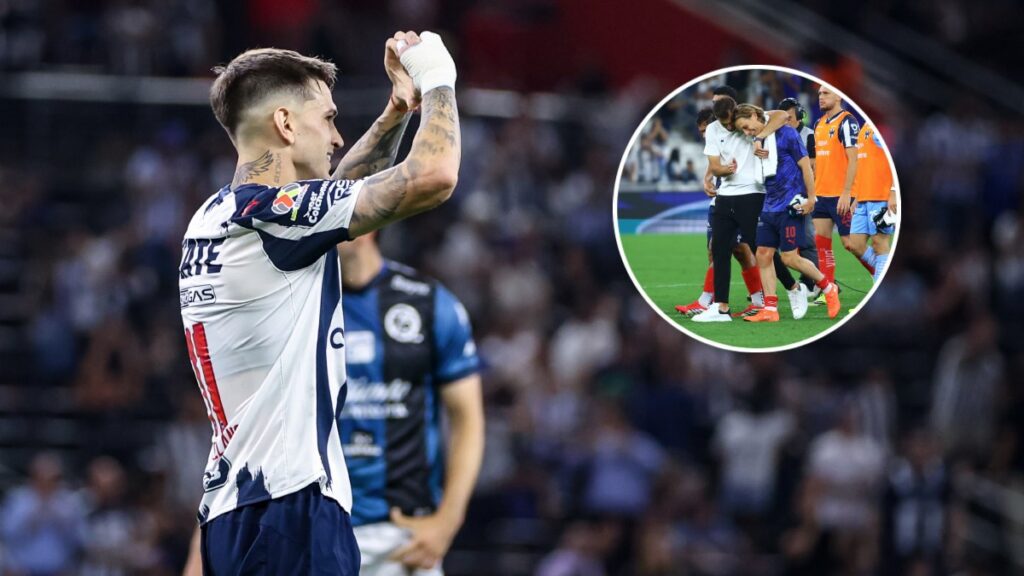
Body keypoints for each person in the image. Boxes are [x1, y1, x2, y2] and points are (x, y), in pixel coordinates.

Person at [178, 30, 461, 574]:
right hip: (292, 509)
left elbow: (333, 193)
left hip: (234, 512)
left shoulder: (220, 216)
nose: (336, 137)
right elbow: (435, 176)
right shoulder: (271, 218)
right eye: (328, 119)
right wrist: (439, 77)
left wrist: (398, 112)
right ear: (285, 124)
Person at [337, 232, 484, 575]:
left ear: (366, 229)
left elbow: (468, 420)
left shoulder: (429, 303)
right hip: (315, 530)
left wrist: (447, 520)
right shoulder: (298, 304)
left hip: (402, 539)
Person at [732, 104, 840, 321]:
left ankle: (828, 289)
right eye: (742, 130)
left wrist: (811, 198)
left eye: (746, 126)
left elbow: (805, 167)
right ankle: (770, 310)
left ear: (755, 116)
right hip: (769, 205)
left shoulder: (787, 133)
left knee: (790, 258)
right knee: (763, 254)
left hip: (791, 205)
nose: (746, 132)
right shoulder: (754, 140)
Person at [690, 94, 791, 322]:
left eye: (730, 121)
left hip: (752, 193)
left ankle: (792, 287)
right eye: (724, 122)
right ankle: (721, 308)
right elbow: (715, 167)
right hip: (725, 195)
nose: (729, 126)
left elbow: (783, 115)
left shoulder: (746, 121)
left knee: (761, 249)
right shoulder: (715, 130)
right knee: (719, 250)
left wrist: (760, 136)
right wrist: (726, 169)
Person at [812, 86, 874, 291]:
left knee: (851, 244)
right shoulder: (819, 123)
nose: (821, 97)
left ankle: (879, 273)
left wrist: (848, 192)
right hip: (821, 194)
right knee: (822, 245)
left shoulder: (847, 122)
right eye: (819, 94)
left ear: (839, 95)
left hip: (841, 195)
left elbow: (854, 160)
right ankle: (830, 291)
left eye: (826, 93)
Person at [848, 121, 897, 283]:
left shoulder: (880, 128)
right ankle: (886, 273)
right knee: (854, 244)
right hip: (863, 197)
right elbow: (864, 164)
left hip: (881, 195)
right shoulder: (864, 128)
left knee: (879, 243)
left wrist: (893, 192)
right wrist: (856, 195)